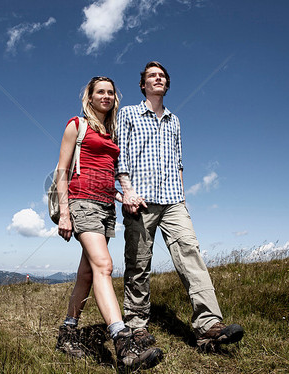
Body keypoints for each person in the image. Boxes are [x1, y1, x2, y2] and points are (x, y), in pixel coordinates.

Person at [116, 62, 244, 350]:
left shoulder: (175, 120)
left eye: (162, 76)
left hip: (174, 199)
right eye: (152, 76)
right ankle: (136, 326)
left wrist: (183, 198)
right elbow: (120, 157)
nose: (158, 78)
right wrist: (126, 191)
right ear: (143, 84)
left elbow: (179, 162)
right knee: (138, 263)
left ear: (167, 84)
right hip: (140, 199)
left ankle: (208, 325)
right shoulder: (128, 114)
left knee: (191, 254)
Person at [55, 76, 163, 371]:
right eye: (99, 91)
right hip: (81, 203)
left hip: (105, 207)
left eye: (110, 92)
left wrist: (123, 196)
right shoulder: (77, 125)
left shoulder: (112, 132)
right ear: (89, 97)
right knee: (104, 265)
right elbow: (61, 171)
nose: (106, 96)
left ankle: (67, 332)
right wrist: (65, 213)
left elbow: (107, 175)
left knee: (87, 273)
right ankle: (124, 344)